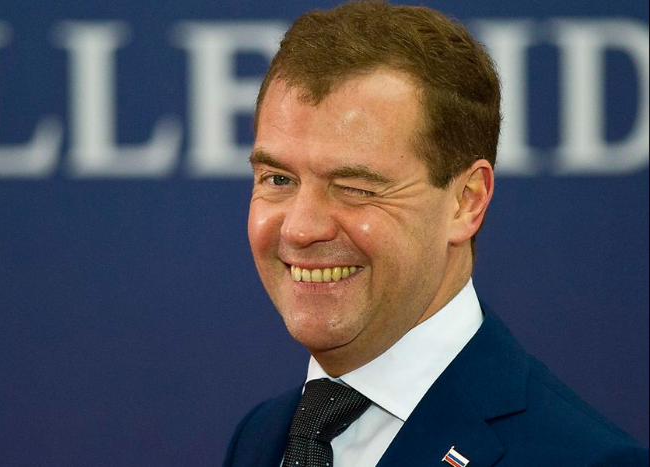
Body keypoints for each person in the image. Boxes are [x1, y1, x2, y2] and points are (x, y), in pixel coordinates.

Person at [224, 2, 649, 466]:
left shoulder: (585, 459)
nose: (301, 228)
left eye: (356, 188)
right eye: (278, 179)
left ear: (466, 201)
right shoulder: (260, 438)